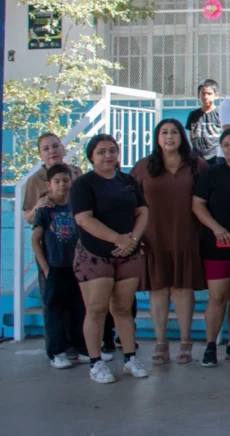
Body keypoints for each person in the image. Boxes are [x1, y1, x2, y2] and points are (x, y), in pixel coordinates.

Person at [71, 134, 150, 384]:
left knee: (123, 309)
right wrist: (118, 239)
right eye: (102, 151)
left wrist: (133, 240)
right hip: (95, 255)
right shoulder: (83, 184)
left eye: (112, 150)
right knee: (96, 309)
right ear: (91, 156)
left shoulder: (128, 181)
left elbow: (142, 211)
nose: (108, 156)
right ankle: (96, 364)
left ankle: (130, 358)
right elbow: (84, 219)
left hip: (128, 254)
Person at [131, 118, 207, 366]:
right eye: (164, 132)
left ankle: (186, 341)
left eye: (174, 132)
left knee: (183, 289)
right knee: (159, 289)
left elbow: (210, 197)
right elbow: (130, 201)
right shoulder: (144, 167)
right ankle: (161, 342)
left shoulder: (197, 165)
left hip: (187, 234)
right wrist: (134, 235)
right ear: (157, 138)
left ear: (182, 137)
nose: (169, 136)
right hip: (153, 237)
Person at [192, 130, 230, 367]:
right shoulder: (211, 174)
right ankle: (210, 346)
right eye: (226, 144)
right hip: (217, 245)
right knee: (217, 296)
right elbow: (197, 205)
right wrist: (216, 228)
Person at [31, 163, 88, 369]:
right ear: (49, 184)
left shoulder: (76, 205)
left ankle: (82, 348)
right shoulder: (45, 209)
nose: (62, 185)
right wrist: (45, 267)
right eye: (57, 181)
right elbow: (35, 239)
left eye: (65, 180)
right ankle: (57, 352)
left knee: (78, 309)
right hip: (55, 267)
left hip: (76, 267)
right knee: (54, 310)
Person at [23, 133, 84, 226]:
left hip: (78, 231)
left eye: (55, 146)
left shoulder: (76, 171)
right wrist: (37, 207)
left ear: (63, 149)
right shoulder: (35, 180)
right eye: (46, 149)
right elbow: (29, 218)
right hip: (51, 235)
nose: (52, 151)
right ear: (40, 155)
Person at [186, 79, 222, 164]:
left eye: (209, 94)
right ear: (199, 95)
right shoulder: (193, 115)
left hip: (215, 157)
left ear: (216, 95)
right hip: (197, 157)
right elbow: (192, 136)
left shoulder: (220, 113)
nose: (206, 96)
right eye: (203, 93)